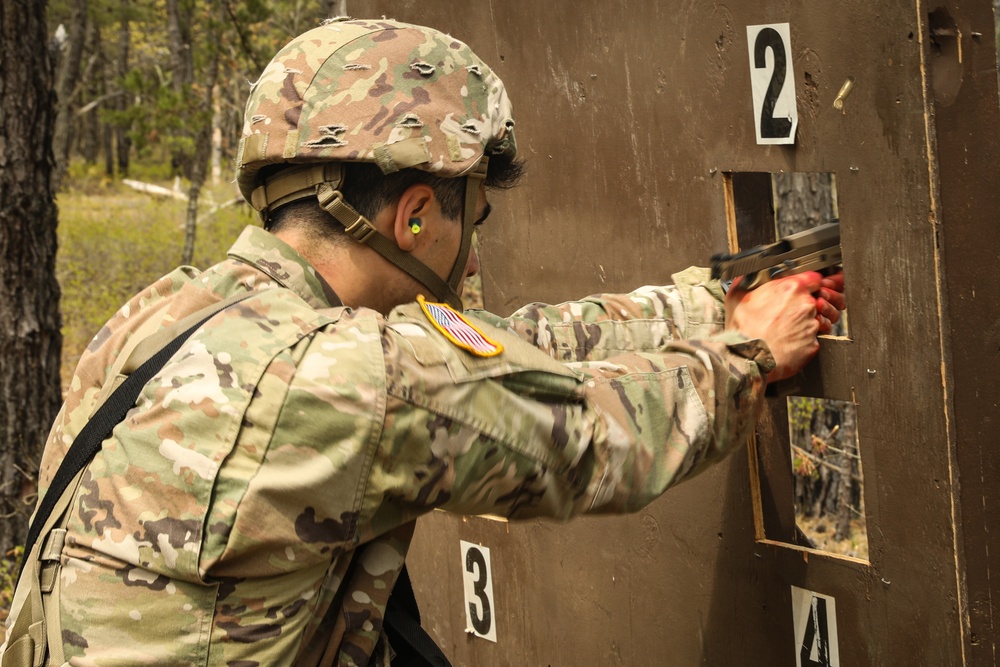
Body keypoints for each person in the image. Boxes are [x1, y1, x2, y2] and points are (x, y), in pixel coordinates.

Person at [2, 18, 844, 667]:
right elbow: (594, 439)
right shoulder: (353, 381)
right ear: (412, 217)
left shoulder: (167, 317)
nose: (472, 254)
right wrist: (749, 353)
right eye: (469, 221)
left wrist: (699, 303)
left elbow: (496, 349)